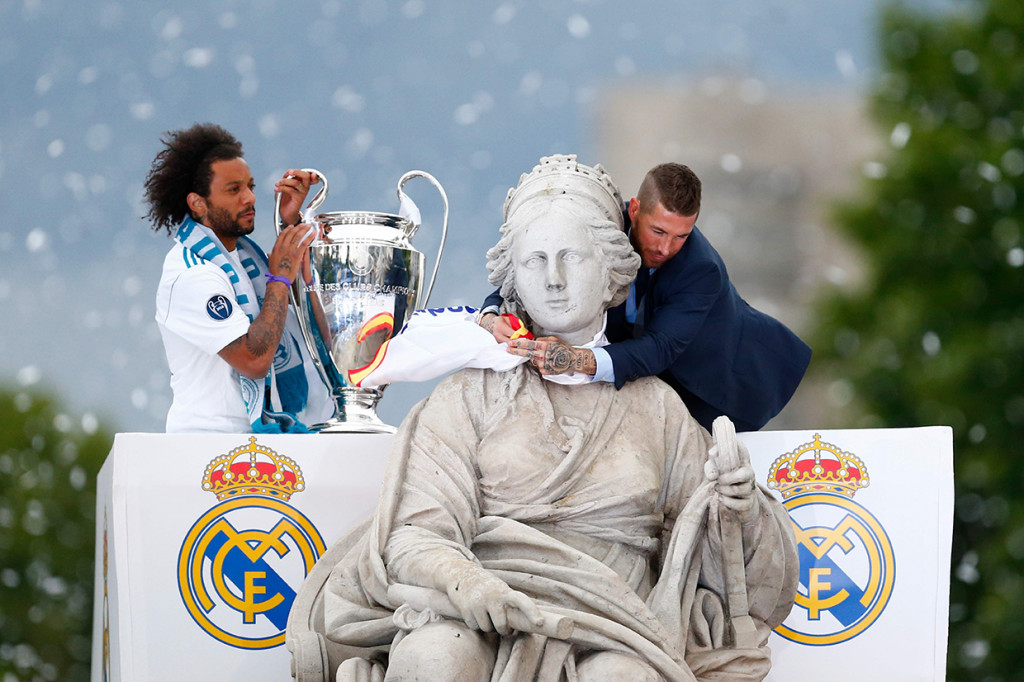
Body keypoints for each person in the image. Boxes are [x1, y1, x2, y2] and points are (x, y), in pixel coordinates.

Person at [310, 155, 797, 681]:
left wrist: (740, 511)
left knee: (622, 679)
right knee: (435, 657)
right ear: (512, 276)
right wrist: (465, 582)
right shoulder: (468, 394)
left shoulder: (657, 407)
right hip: (478, 610)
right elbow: (413, 535)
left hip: (614, 622)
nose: (555, 280)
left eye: (573, 257)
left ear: (612, 268)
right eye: (534, 261)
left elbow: (722, 561)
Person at [480, 158, 811, 432]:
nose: (667, 248)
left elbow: (660, 348)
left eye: (682, 236)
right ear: (634, 209)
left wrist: (576, 360)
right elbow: (528, 266)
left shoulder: (701, 270)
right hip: (642, 366)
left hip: (722, 382)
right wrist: (492, 312)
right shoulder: (602, 226)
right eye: (658, 231)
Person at [145, 122, 335, 433]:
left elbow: (321, 337)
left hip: (260, 448)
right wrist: (279, 278)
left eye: (251, 186)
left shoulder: (249, 260)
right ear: (197, 203)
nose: (250, 199)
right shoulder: (193, 274)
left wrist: (291, 227)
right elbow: (253, 359)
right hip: (209, 450)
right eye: (234, 189)